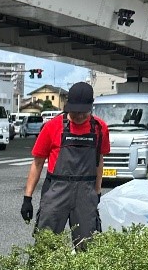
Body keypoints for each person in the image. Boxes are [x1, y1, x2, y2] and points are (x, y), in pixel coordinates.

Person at [20, 82, 110, 245]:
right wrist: (27, 198)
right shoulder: (52, 126)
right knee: (45, 245)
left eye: (84, 112)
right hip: (56, 189)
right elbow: (38, 163)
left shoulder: (99, 128)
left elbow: (99, 161)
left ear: (90, 107)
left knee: (88, 247)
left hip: (86, 192)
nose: (79, 116)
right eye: (75, 112)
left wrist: (97, 192)